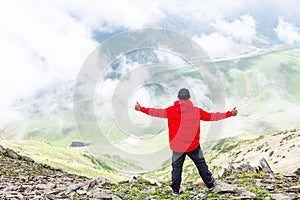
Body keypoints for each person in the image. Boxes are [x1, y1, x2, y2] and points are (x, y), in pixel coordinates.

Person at [135, 88, 237, 195]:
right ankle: (210, 185)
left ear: (178, 98)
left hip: (177, 146)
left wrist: (140, 108)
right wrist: (230, 113)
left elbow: (155, 112)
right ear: (189, 98)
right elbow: (212, 116)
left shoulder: (170, 111)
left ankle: (175, 190)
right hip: (193, 146)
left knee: (176, 168)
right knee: (201, 165)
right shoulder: (196, 111)